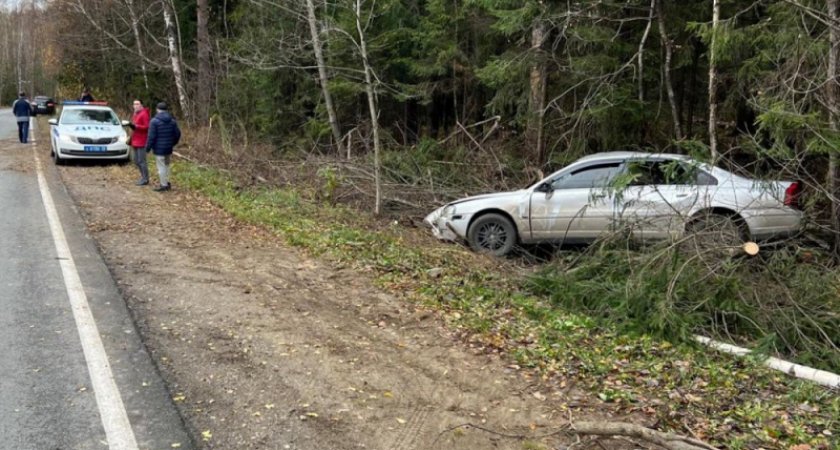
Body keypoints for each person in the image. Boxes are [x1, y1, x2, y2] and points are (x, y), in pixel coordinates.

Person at [145, 102, 181, 192]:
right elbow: (178, 134)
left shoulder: (154, 121)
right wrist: (172, 143)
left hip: (159, 149)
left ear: (157, 109)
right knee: (167, 165)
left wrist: (148, 148)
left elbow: (151, 137)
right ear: (166, 110)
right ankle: (167, 182)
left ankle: (163, 185)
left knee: (161, 166)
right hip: (168, 148)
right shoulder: (172, 121)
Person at [128, 99, 151, 186]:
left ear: (141, 105)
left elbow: (147, 127)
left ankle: (145, 179)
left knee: (141, 161)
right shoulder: (135, 114)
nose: (135, 106)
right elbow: (135, 127)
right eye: (134, 104)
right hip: (135, 140)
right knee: (136, 161)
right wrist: (131, 125)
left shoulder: (144, 114)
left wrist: (135, 126)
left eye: (137, 104)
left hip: (142, 141)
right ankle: (143, 177)